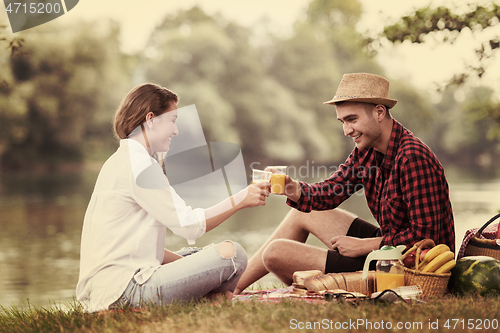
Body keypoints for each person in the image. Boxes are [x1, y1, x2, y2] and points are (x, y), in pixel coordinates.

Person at [234, 73, 455, 293]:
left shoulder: (413, 157)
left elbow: (427, 238)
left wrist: (363, 246)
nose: (347, 131)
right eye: (343, 122)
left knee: (275, 253)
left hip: (406, 267)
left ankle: (322, 290)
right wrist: (293, 188)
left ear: (379, 112)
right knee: (301, 213)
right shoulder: (366, 151)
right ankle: (231, 290)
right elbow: (330, 192)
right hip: (386, 248)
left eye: (352, 119)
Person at [76, 83, 270, 312]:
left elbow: (134, 247)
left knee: (196, 255)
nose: (176, 131)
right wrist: (241, 199)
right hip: (126, 292)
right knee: (233, 255)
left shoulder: (121, 160)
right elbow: (190, 226)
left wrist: (195, 264)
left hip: (112, 288)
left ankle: (206, 297)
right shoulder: (140, 166)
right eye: (173, 120)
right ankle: (207, 297)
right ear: (151, 119)